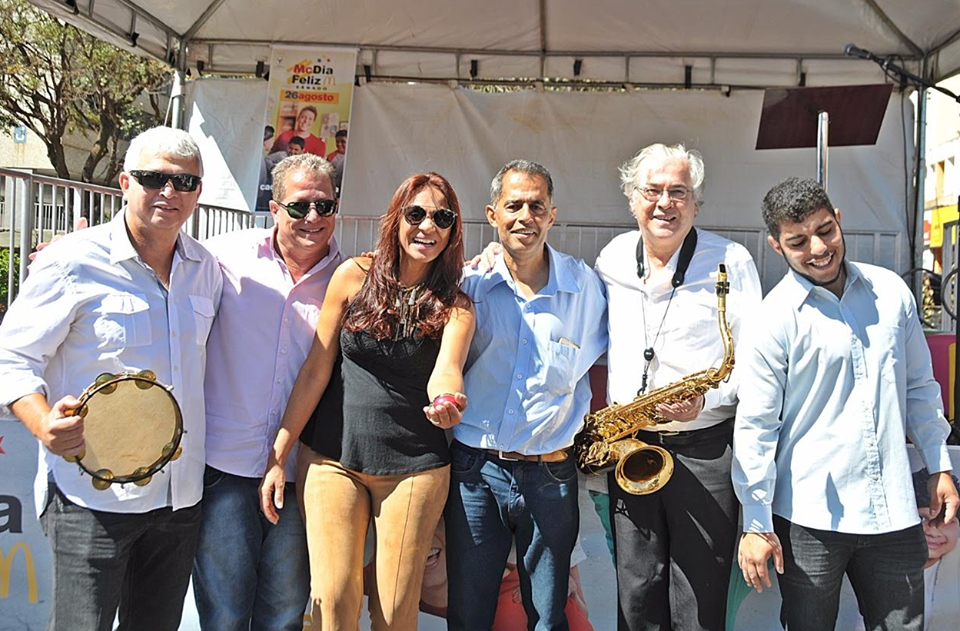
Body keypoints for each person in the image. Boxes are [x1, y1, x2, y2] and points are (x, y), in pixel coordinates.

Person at [0, 126, 222, 631]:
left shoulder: (205, 268)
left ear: (198, 192)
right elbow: (12, 356)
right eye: (154, 178)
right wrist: (42, 423)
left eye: (185, 182)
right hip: (90, 500)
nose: (169, 192)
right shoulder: (71, 261)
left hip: (178, 500)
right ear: (125, 182)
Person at [733, 176, 959, 631]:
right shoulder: (771, 319)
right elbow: (757, 426)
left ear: (838, 220)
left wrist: (939, 464)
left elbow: (919, 387)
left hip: (893, 512)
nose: (818, 248)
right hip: (809, 518)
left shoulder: (890, 292)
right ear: (776, 246)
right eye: (798, 241)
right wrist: (756, 522)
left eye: (825, 230)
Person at [259, 172, 476, 630]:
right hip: (331, 458)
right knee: (334, 599)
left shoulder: (457, 306)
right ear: (397, 218)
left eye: (442, 218)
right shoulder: (353, 275)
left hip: (415, 467)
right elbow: (315, 369)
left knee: (395, 611)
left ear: (453, 230)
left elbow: (447, 369)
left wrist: (447, 400)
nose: (428, 226)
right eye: (416, 214)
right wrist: (279, 453)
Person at [596, 143, 761, 631]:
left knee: (699, 602)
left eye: (679, 192)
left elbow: (753, 362)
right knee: (636, 595)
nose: (665, 203)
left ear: (696, 203)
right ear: (632, 198)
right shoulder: (611, 259)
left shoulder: (732, 260)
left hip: (705, 451)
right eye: (652, 191)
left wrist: (708, 398)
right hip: (632, 448)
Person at [444, 159, 608, 631]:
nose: (525, 216)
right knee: (469, 615)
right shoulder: (468, 285)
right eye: (513, 205)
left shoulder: (585, 289)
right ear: (492, 214)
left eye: (537, 206)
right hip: (476, 471)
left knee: (548, 616)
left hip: (550, 474)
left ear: (552, 215)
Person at [192, 153, 343, 630]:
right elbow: (153, 261)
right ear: (274, 208)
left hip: (301, 474)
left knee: (283, 615)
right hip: (224, 467)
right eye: (299, 206)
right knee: (224, 615)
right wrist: (71, 249)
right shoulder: (221, 256)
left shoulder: (352, 280)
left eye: (324, 205)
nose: (313, 217)